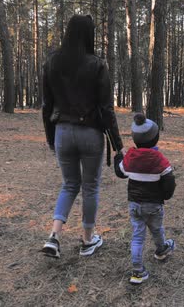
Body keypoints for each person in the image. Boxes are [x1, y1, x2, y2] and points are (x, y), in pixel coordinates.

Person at [41, 15, 123, 258]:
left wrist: (50, 137)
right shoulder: (97, 64)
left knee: (69, 185)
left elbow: (47, 106)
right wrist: (118, 145)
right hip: (90, 134)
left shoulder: (52, 62)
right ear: (89, 35)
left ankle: (54, 236)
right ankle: (88, 241)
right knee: (89, 187)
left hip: (62, 133)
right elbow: (106, 109)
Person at [114, 113, 176, 284]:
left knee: (138, 236)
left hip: (135, 205)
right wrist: (165, 195)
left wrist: (119, 156)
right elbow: (169, 180)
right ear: (155, 138)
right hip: (154, 205)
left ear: (135, 139)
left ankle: (137, 271)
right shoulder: (159, 159)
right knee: (157, 229)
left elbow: (120, 172)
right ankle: (161, 250)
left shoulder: (130, 158)